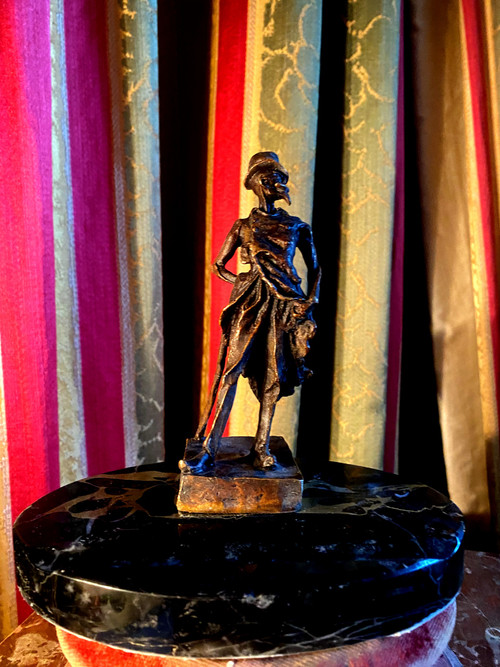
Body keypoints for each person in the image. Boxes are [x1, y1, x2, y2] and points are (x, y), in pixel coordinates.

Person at [182, 152, 320, 473]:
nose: (279, 183)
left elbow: (316, 267)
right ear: (258, 182)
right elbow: (219, 266)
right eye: (271, 177)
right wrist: (242, 282)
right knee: (232, 370)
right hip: (250, 302)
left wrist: (307, 304)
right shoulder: (243, 227)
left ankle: (261, 446)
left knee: (273, 374)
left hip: (284, 306)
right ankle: (209, 448)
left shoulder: (296, 226)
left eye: (280, 177)